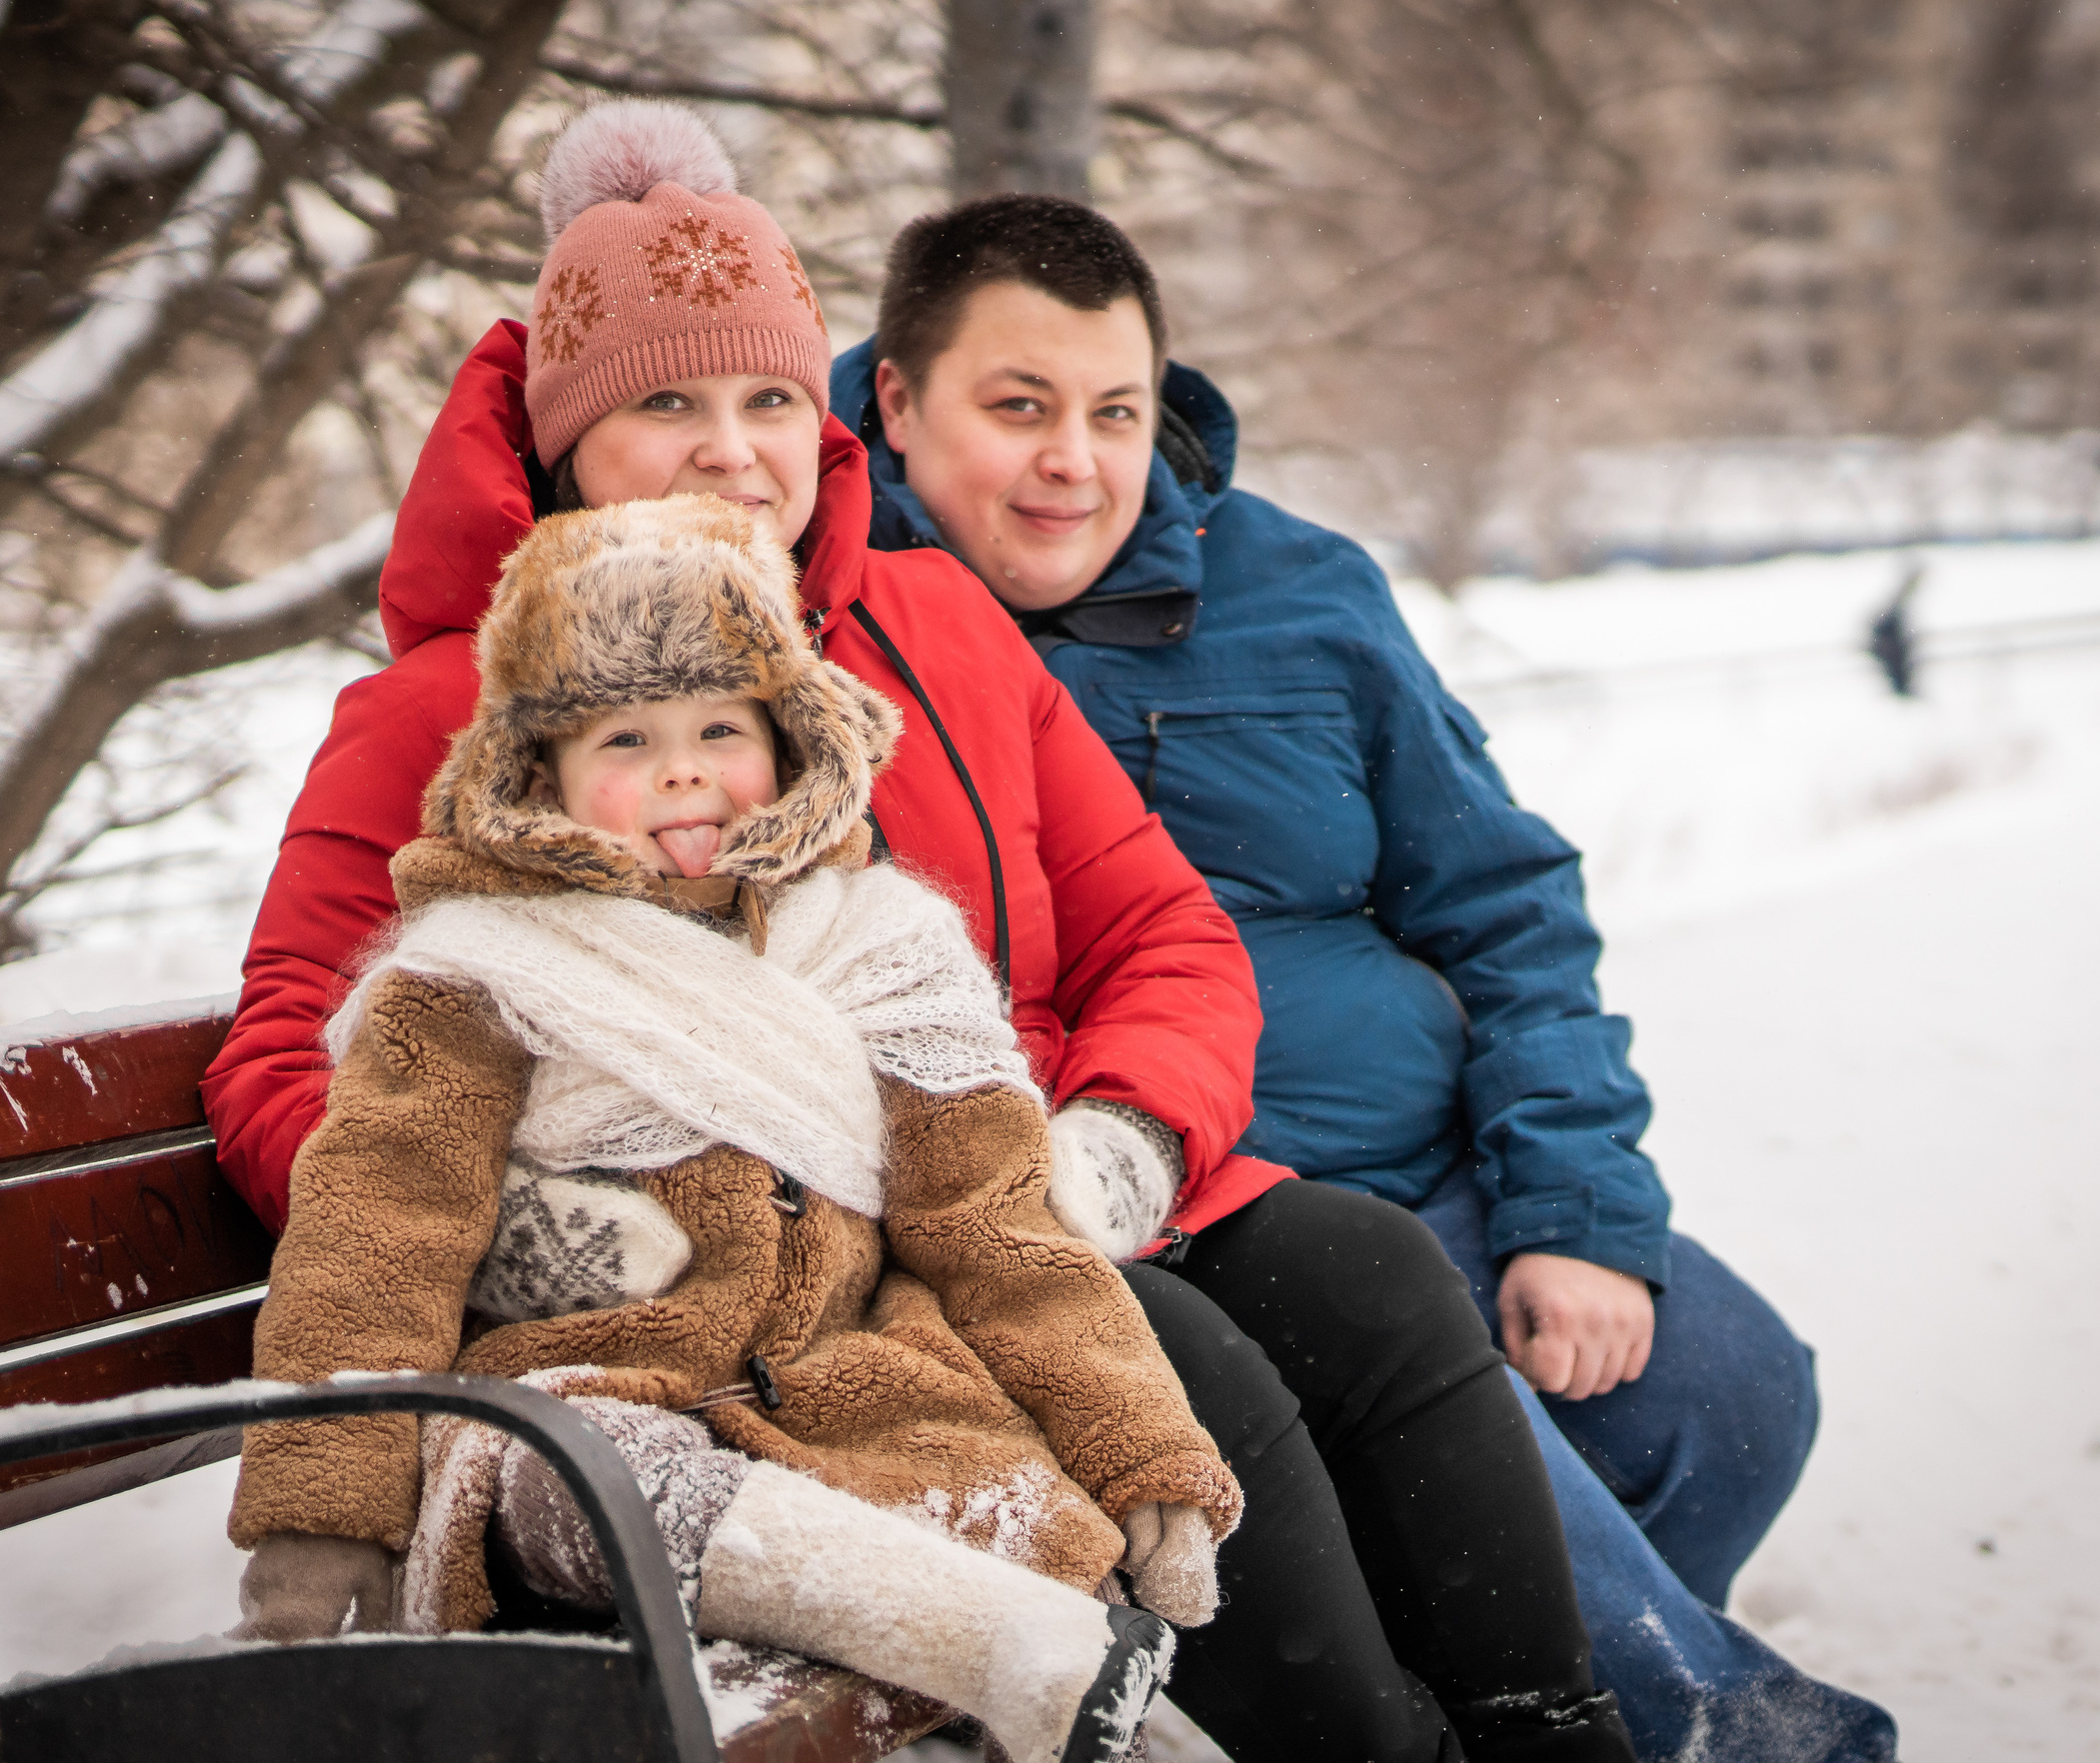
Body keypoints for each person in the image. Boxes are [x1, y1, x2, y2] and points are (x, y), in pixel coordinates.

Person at [203, 102, 1632, 1762]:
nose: (731, 451)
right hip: (786, 1284)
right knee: (1177, 1366)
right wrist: (523, 1231)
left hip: (1019, 1184)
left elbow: (1165, 931)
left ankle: (1555, 1729)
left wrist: (1123, 1142)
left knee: (1367, 1272)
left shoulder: (932, 620)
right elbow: (282, 1042)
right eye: (664, 405)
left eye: (764, 399)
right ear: (566, 441)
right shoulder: (446, 707)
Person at [831, 193, 1900, 1761]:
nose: (1075, 461)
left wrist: (1572, 1209)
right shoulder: (836, 622)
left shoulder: (1303, 592)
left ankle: (1467, 1684)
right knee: (1515, 1501)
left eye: (1115, 411)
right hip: (1195, 1220)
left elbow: (1506, 904)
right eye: (1019, 407)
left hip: (1431, 1170)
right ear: (899, 400)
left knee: (1727, 1394)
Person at [225, 493, 1241, 1763]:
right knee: (579, 1468)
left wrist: (1144, 1452)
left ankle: (1074, 1687)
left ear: (791, 739)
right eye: (625, 738)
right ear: (538, 773)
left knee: (1009, 1491)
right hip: (597, 1402)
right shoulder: (473, 977)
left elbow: (997, 1230)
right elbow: (372, 1249)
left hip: (857, 1399)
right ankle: (985, 1637)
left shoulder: (887, 951)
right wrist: (322, 1515)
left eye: (720, 727)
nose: (683, 769)